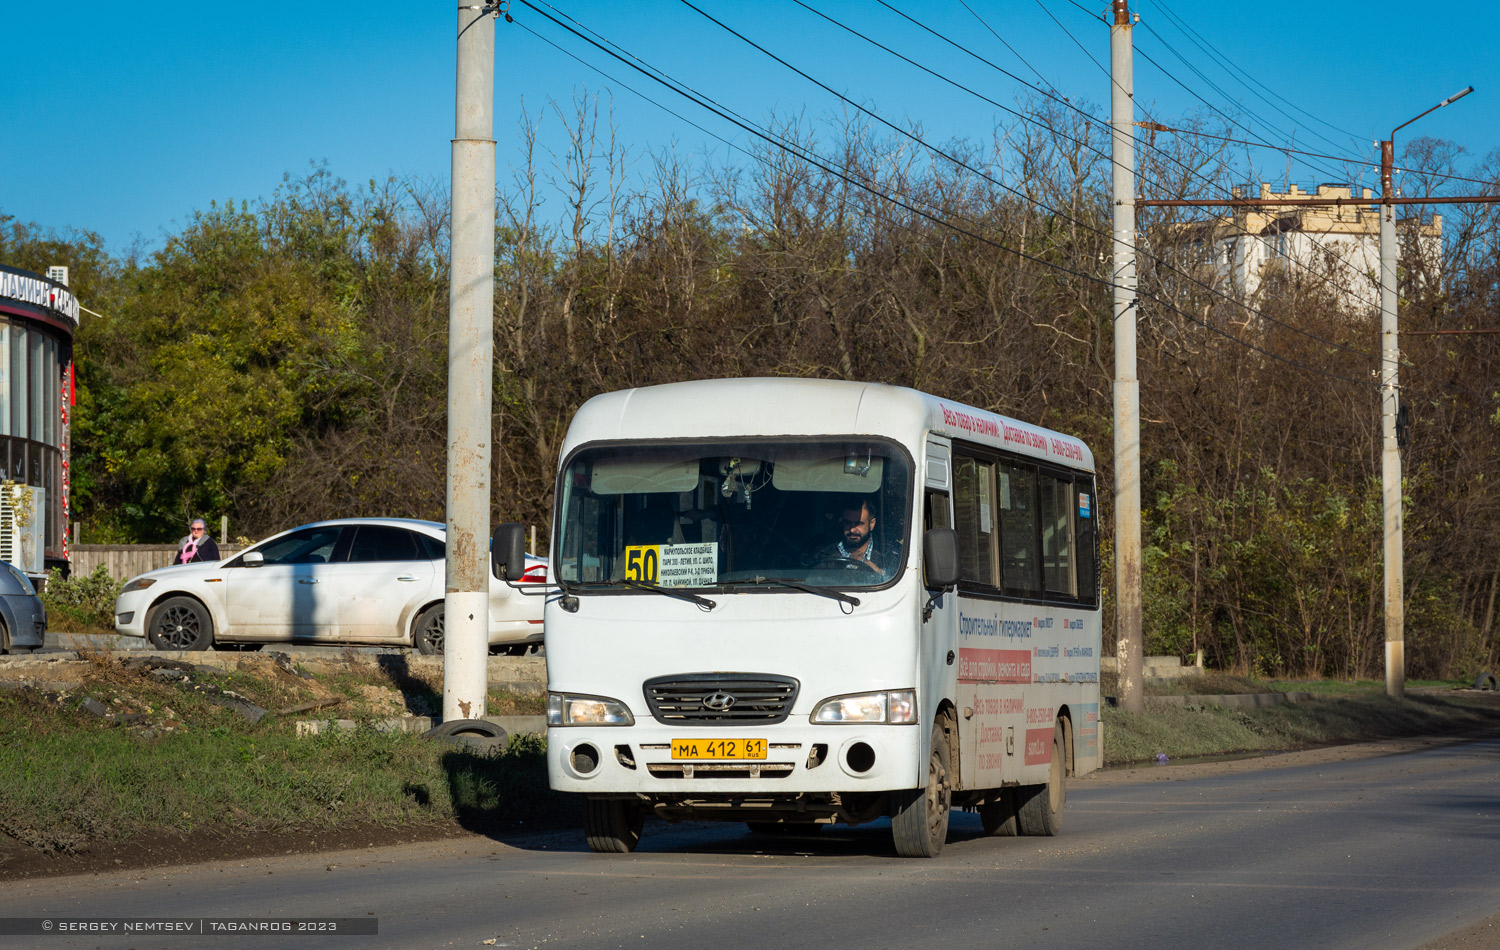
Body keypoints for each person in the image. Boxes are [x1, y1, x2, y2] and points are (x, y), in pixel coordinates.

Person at [811, 496, 898, 579]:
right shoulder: (824, 555)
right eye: (847, 523)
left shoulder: (891, 554)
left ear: (872, 524)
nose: (852, 530)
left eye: (858, 523)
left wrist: (881, 575)